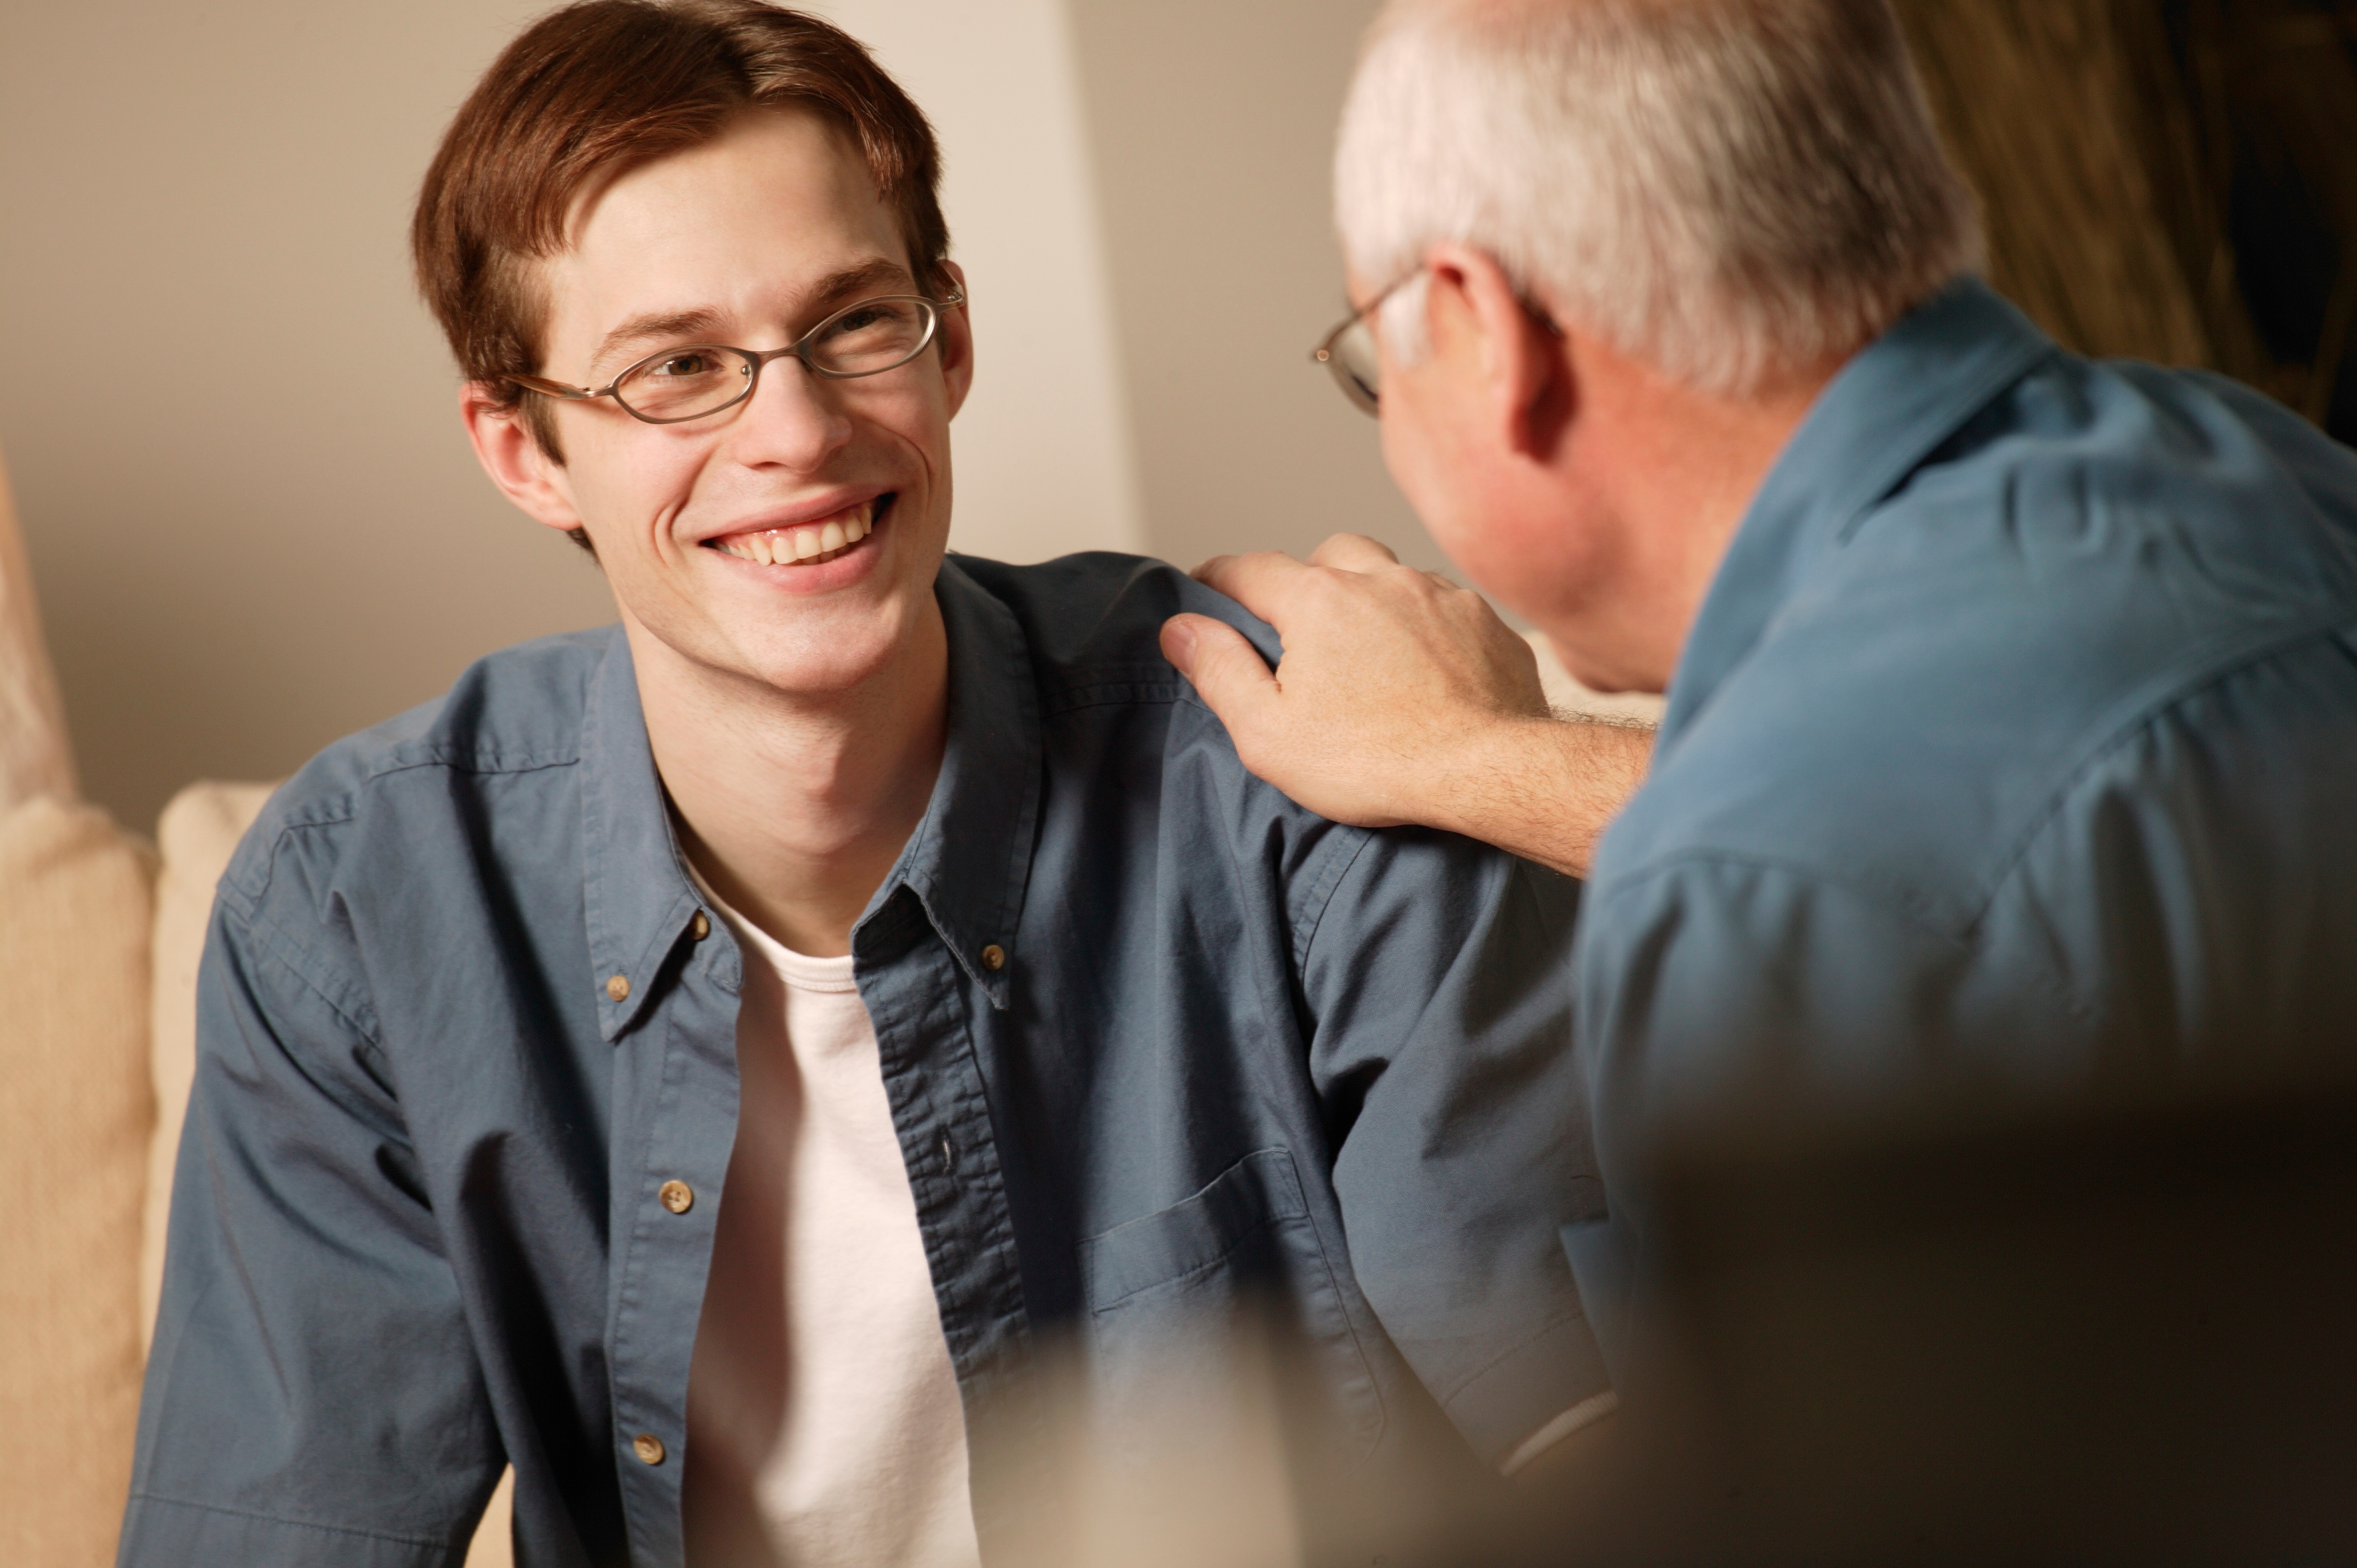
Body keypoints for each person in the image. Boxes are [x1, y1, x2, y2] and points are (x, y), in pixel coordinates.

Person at [119, 5, 1612, 1565]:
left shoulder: (1296, 754)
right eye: (677, 369)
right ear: (524, 451)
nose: (800, 433)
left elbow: (1603, 1441)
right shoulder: (361, 912)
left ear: (947, 338)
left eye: (850, 324)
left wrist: (1490, 770)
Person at [1161, 0, 2357, 1362]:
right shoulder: (2274, 469)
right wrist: (1487, 754)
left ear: (1479, 325)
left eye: (1376, 366)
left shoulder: (1753, 879)